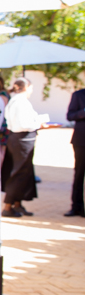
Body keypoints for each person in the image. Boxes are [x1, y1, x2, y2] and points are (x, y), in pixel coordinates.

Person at [1, 77, 48, 217]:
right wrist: (39, 124)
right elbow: (23, 123)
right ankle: (8, 206)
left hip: (18, 139)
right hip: (21, 140)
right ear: (26, 87)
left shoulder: (15, 100)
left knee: (23, 173)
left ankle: (17, 203)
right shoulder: (20, 101)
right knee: (19, 173)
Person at [66, 87, 85, 217]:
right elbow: (70, 116)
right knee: (79, 174)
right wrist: (83, 112)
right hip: (81, 141)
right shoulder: (78, 95)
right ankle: (76, 207)